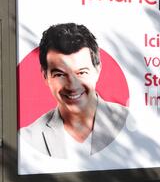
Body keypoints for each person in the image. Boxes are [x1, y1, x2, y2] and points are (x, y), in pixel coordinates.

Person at [20, 23, 128, 159]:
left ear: (98, 70)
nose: (72, 86)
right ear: (45, 76)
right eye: (60, 74)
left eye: (81, 72)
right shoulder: (27, 137)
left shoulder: (127, 121)